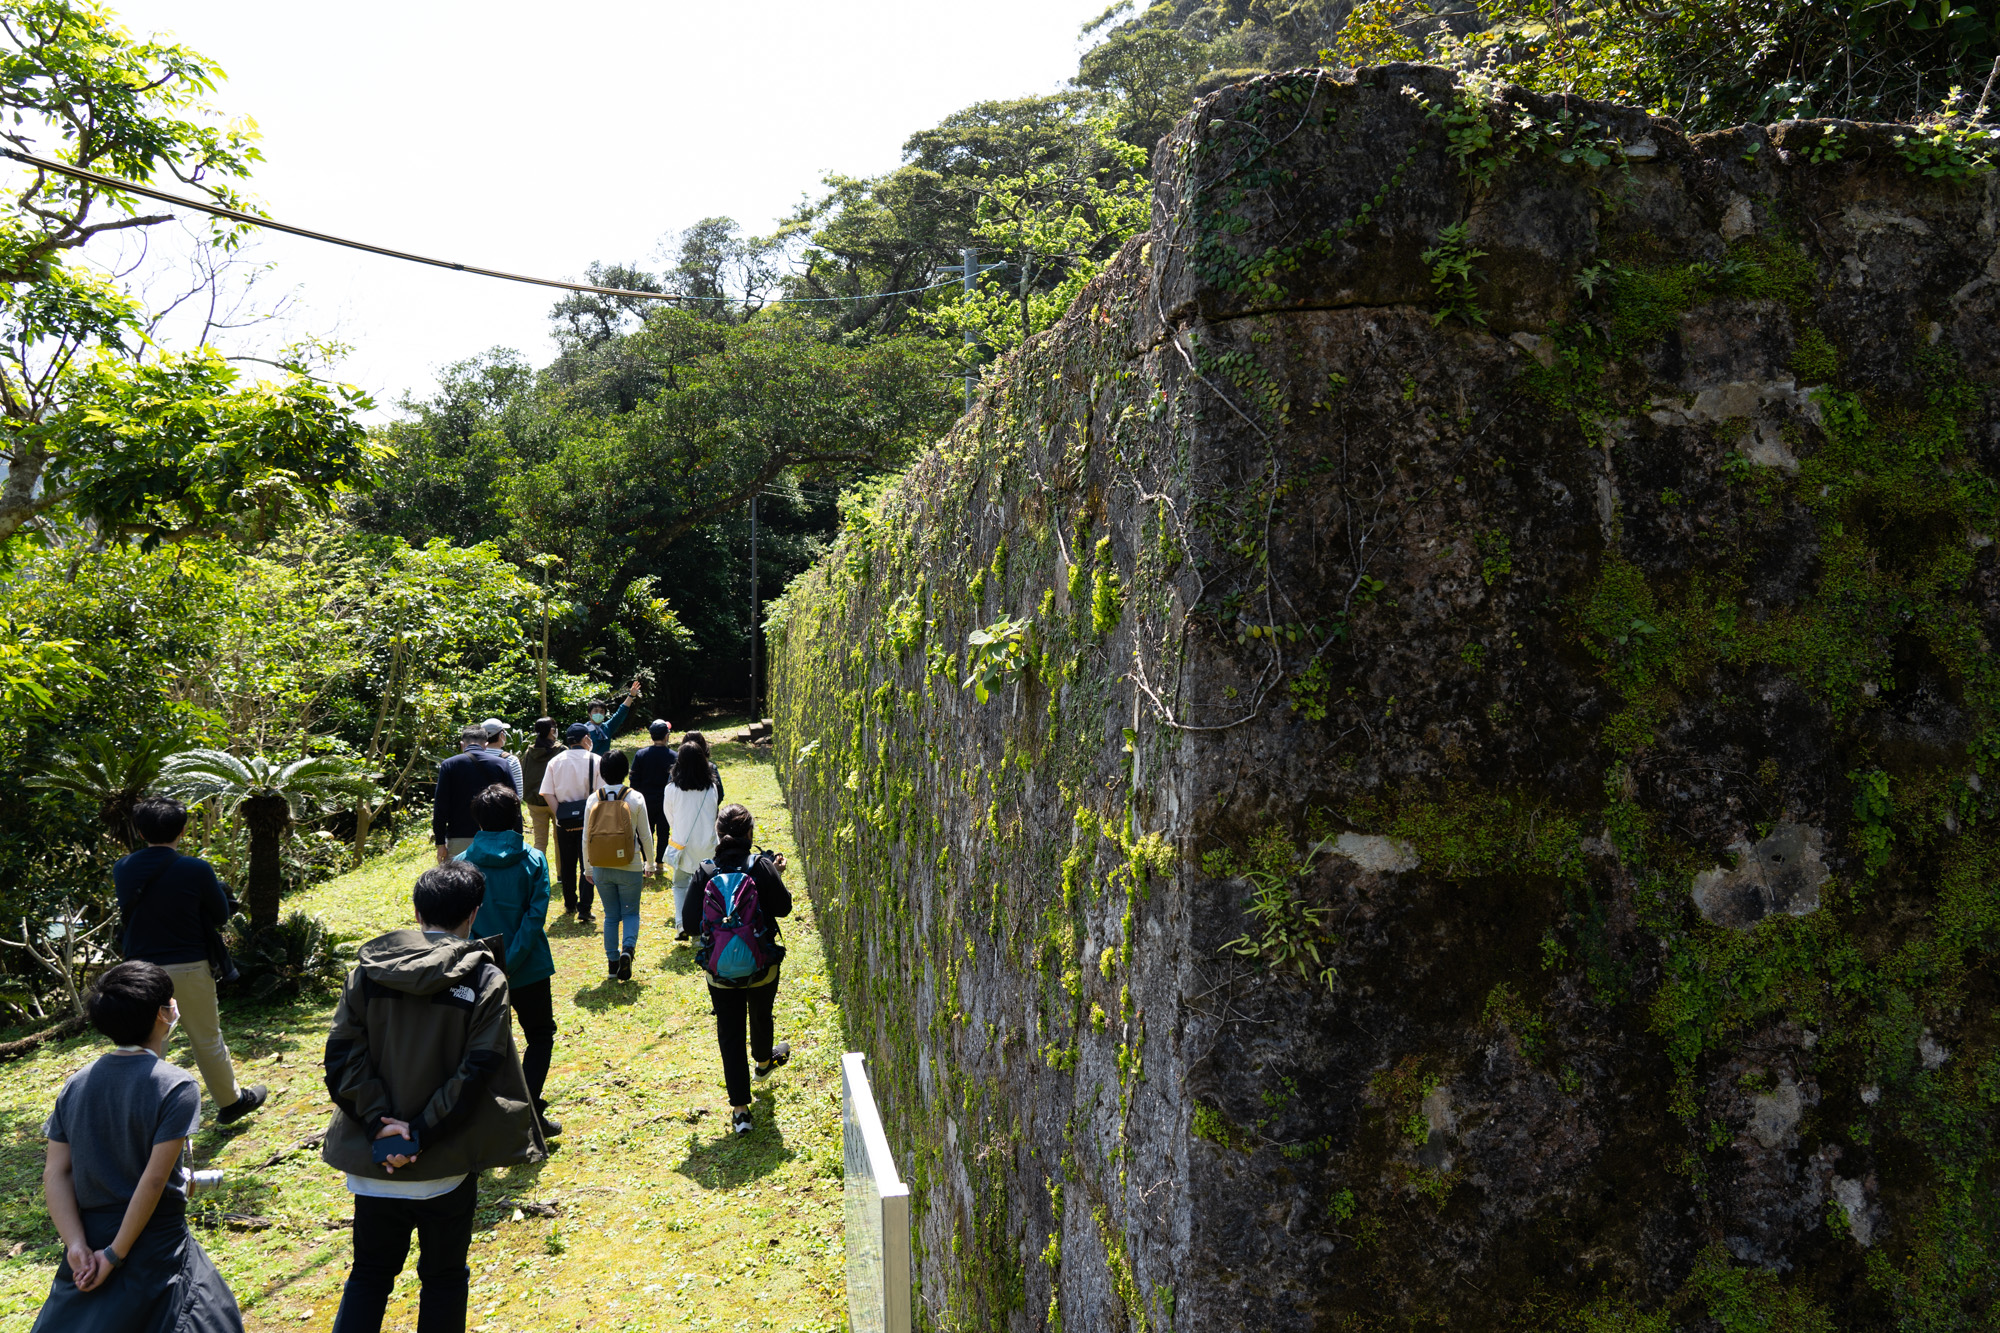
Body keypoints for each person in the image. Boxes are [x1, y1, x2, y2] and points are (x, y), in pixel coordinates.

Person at [321, 861, 545, 1333]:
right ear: (474, 914)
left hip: (373, 1164)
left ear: (417, 912)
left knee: (369, 1275)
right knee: (443, 1279)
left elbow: (342, 1059)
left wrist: (382, 1129)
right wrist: (417, 1135)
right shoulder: (485, 980)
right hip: (444, 1164)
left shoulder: (368, 972)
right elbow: (477, 1072)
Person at [33, 961, 245, 1333]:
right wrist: (114, 1254)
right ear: (164, 1014)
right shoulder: (176, 1086)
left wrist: (77, 1247)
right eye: (170, 1001)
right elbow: (153, 1181)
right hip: (152, 1242)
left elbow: (55, 1172)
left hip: (87, 1240)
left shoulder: (75, 1084)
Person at [113, 796, 266, 1125]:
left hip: (139, 970)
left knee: (149, 1042)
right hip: (188, 964)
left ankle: (146, 1116)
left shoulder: (123, 868)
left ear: (140, 832)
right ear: (182, 830)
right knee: (206, 1037)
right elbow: (221, 914)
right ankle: (230, 1101)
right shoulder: (195, 868)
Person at [457, 784, 560, 1140]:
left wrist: (488, 960)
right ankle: (530, 1109)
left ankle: (495, 1116)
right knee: (540, 1035)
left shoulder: (461, 866)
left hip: (479, 971)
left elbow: (458, 927)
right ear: (516, 816)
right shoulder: (533, 859)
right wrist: (512, 959)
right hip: (528, 967)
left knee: (488, 1045)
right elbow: (535, 917)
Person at [681, 804, 791, 1134]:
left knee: (729, 1033)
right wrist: (776, 873)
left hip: (720, 972)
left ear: (718, 833)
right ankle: (762, 1062)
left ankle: (741, 1111)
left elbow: (689, 924)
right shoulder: (760, 866)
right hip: (761, 965)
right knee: (761, 1014)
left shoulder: (705, 870)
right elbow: (783, 908)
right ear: (750, 834)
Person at [581, 750, 656, 982]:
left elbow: (586, 837)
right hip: (630, 864)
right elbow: (645, 835)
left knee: (611, 916)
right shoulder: (635, 798)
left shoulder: (593, 799)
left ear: (602, 772)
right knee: (631, 912)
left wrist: (588, 868)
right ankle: (628, 950)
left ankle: (613, 963)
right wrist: (650, 863)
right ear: (626, 772)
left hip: (601, 865)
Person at [537, 724, 602, 922]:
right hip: (589, 820)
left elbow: (546, 792)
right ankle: (585, 907)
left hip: (563, 821)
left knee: (567, 863)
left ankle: (569, 903)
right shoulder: (596, 760)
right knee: (587, 863)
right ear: (585, 739)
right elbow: (601, 793)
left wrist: (561, 815)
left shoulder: (555, 761)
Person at [659, 737, 721, 941]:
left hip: (683, 845)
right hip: (708, 846)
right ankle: (704, 929)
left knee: (680, 885)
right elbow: (714, 813)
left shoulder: (671, 789)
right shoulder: (711, 787)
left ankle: (681, 924)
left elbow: (670, 818)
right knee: (706, 888)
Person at [432, 725, 512, 864]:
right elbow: (513, 803)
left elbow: (441, 806)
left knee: (461, 883)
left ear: (462, 745)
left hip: (459, 837)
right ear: (485, 745)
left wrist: (440, 843)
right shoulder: (501, 764)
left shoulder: (449, 765)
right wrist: (516, 837)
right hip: (496, 838)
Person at [628, 719, 677, 853]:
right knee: (663, 832)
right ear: (667, 735)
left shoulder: (641, 754)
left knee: (645, 832)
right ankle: (660, 863)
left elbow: (633, 779)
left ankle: (646, 862)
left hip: (645, 800)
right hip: (665, 800)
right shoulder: (674, 756)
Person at [518, 718, 562, 856]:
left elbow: (524, 775)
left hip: (535, 802)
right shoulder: (561, 751)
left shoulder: (529, 752)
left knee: (540, 841)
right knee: (559, 840)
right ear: (552, 731)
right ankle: (561, 876)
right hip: (557, 802)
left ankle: (539, 874)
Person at [583, 680, 642, 756]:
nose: (599, 714)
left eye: (601, 711)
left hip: (604, 764)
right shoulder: (583, 730)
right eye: (596, 711)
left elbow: (620, 713)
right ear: (589, 713)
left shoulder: (607, 727)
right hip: (588, 764)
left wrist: (630, 696)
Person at [476, 719, 524, 798]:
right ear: (502, 735)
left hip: (475, 807)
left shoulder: (471, 758)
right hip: (501, 808)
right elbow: (518, 794)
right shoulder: (511, 760)